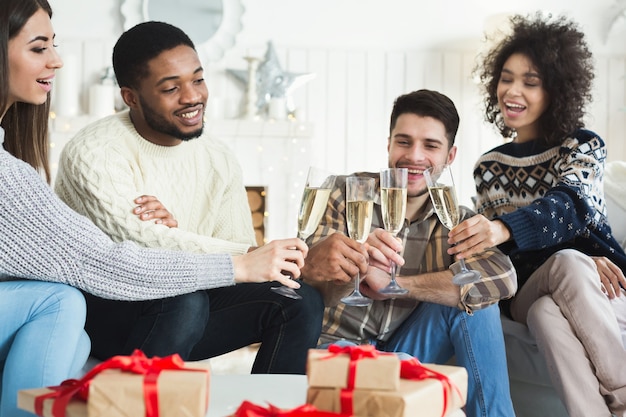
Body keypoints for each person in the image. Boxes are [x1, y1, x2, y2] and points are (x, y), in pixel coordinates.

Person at [0, 2, 320, 415]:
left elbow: (238, 244)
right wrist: (235, 261)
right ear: (131, 97)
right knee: (182, 299)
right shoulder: (92, 150)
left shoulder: (219, 157)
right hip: (113, 300)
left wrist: (179, 231)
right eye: (170, 88)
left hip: (156, 289)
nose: (191, 97)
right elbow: (108, 259)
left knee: (297, 299)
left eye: (199, 80)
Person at [302, 89, 518, 417]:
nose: (415, 156)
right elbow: (309, 278)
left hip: (412, 344)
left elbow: (503, 278)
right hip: (338, 344)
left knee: (477, 302)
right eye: (403, 141)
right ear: (388, 144)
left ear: (450, 155)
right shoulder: (342, 194)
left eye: (430, 146)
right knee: (379, 370)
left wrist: (398, 285)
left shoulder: (456, 219)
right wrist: (357, 266)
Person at [451, 13, 626, 417]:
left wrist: (502, 228)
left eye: (531, 82)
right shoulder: (489, 166)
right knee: (566, 263)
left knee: (548, 314)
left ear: (556, 90)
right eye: (506, 78)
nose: (513, 90)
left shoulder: (583, 146)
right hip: (527, 288)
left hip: (608, 292)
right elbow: (502, 263)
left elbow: (570, 205)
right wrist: (575, 261)